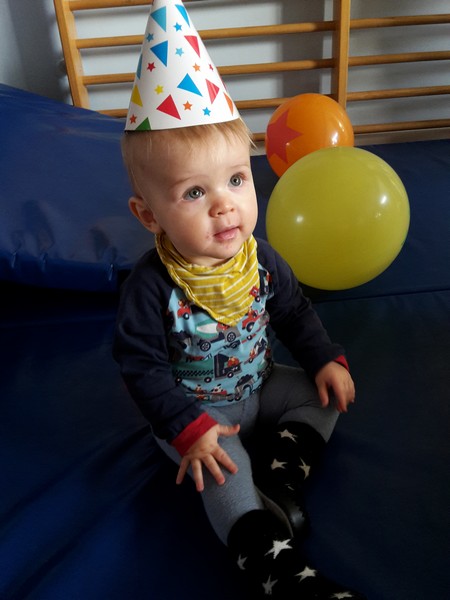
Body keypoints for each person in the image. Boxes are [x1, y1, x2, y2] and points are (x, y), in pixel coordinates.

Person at [114, 118, 366, 600]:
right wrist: (187, 428)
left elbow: (293, 312)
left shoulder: (261, 259)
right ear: (148, 215)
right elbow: (141, 368)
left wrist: (322, 360)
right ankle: (275, 566)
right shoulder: (151, 287)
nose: (224, 205)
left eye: (236, 179)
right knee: (221, 472)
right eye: (194, 192)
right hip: (197, 415)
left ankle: (281, 475)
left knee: (323, 395)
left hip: (262, 384)